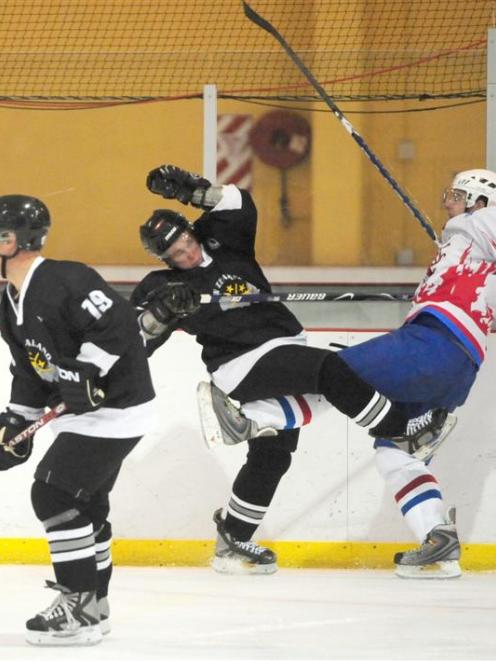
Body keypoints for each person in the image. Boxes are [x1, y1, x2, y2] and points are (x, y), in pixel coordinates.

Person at [131, 163, 450, 576]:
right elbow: (131, 343)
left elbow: (238, 201)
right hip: (241, 365)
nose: (187, 254)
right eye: (175, 254)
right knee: (330, 370)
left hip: (282, 346)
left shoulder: (226, 240)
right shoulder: (161, 285)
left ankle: (234, 534)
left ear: (193, 230)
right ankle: (400, 430)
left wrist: (191, 191)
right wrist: (158, 313)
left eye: (187, 242)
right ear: (164, 259)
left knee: (273, 456)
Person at [202, 168, 496, 579]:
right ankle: (437, 539)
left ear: (481, 201)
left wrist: (464, 233)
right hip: (458, 368)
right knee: (394, 453)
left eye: (458, 195)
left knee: (336, 374)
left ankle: (255, 420)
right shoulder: (468, 240)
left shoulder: (481, 223)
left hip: (432, 345)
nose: (448, 202)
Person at [0, 195, 157, 645]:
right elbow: (30, 367)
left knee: (51, 492)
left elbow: (120, 323)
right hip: (82, 417)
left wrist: (88, 367)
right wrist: (18, 418)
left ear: (15, 240)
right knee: (85, 505)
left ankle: (79, 606)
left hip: (118, 409)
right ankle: (96, 607)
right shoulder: (8, 301)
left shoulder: (66, 278)